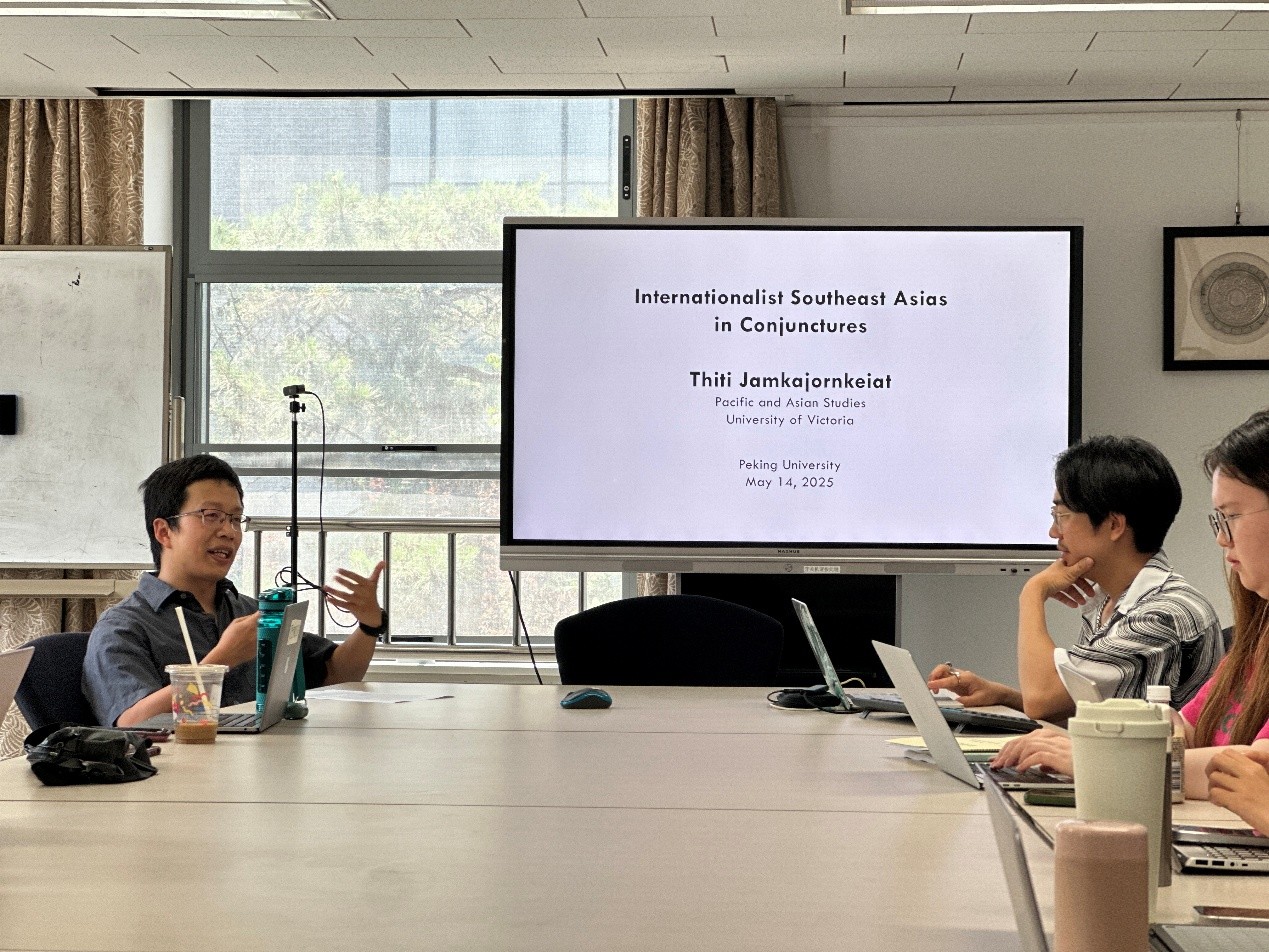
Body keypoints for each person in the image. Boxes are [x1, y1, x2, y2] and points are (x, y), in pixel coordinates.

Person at [995, 409, 1269, 802]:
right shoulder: (1257, 639)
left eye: (1231, 516)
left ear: (1113, 524)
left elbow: (1258, 769)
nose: (1221, 539)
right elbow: (1186, 731)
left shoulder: (1167, 611)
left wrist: (1099, 758)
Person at [927, 435, 1222, 723]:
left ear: (1114, 525)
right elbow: (1087, 708)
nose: (1053, 532)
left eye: (1062, 515)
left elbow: (1041, 700)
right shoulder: (1113, 600)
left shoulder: (1162, 614)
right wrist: (1003, 697)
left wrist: (1033, 592)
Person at [83, 454, 387, 728]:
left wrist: (369, 624)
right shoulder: (124, 626)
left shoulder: (249, 614)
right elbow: (132, 722)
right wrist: (220, 662)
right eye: (211, 515)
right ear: (164, 531)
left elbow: (336, 673)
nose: (229, 531)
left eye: (235, 519)